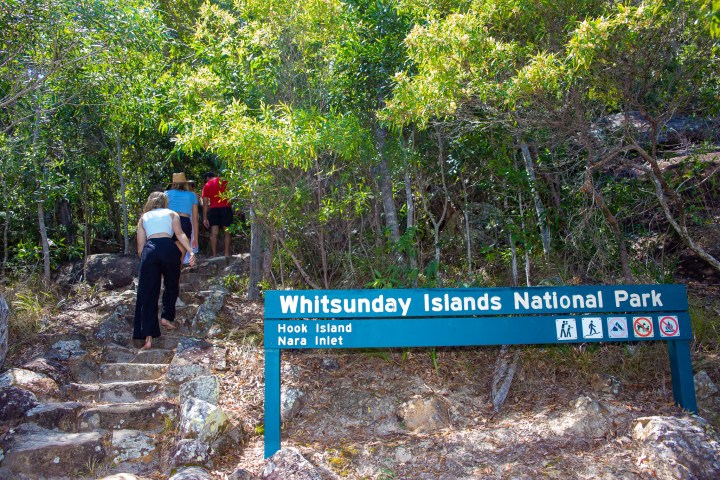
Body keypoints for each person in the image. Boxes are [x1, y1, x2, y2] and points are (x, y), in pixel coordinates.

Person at [134, 192, 196, 350]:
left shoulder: (144, 217)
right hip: (168, 248)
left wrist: (144, 261)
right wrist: (191, 251)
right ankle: (167, 317)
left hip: (150, 249)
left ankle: (148, 337)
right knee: (171, 283)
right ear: (165, 203)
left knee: (148, 293)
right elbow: (180, 234)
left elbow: (140, 245)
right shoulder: (171, 213)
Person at [165, 173, 199, 261]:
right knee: (181, 255)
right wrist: (195, 238)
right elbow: (195, 219)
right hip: (184, 222)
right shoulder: (192, 195)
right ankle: (176, 274)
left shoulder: (166, 194)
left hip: (169, 222)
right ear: (185, 183)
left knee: (167, 254)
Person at [201, 171, 232, 257]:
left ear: (207, 178)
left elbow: (205, 204)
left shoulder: (206, 186)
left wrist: (205, 218)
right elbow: (232, 195)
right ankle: (226, 254)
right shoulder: (224, 181)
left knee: (214, 233)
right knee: (227, 232)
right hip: (226, 208)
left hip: (214, 209)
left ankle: (214, 255)